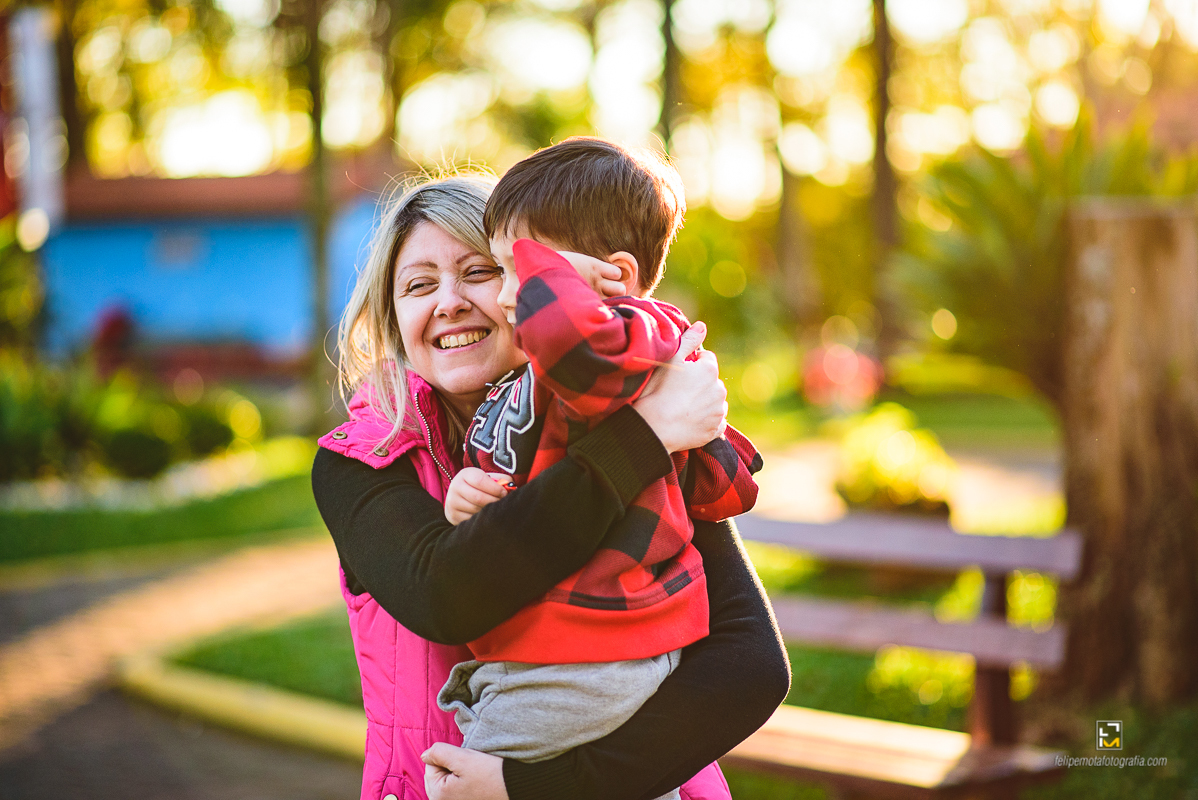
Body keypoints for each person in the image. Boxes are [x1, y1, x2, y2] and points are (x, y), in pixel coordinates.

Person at [311, 173, 790, 800]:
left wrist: (538, 787)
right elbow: (446, 592)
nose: (448, 302)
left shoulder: (623, 410)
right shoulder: (363, 460)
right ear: (391, 317)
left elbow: (750, 664)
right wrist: (644, 440)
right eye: (418, 285)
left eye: (479, 272)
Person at [435, 139, 763, 794]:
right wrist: (468, 492)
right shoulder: (541, 372)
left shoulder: (635, 339)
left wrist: (544, 276)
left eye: (516, 271)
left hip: (591, 654)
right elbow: (530, 480)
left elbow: (578, 352)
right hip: (548, 652)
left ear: (613, 277)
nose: (503, 296)